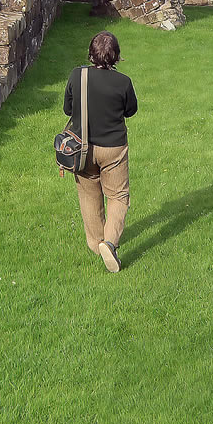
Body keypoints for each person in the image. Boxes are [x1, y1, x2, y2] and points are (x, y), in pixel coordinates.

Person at [62, 31, 138, 272]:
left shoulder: (77, 75)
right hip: (113, 148)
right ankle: (109, 243)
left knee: (89, 195)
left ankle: (97, 245)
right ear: (116, 56)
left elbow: (67, 109)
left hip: (82, 148)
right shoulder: (123, 82)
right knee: (117, 196)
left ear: (91, 53)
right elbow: (131, 111)